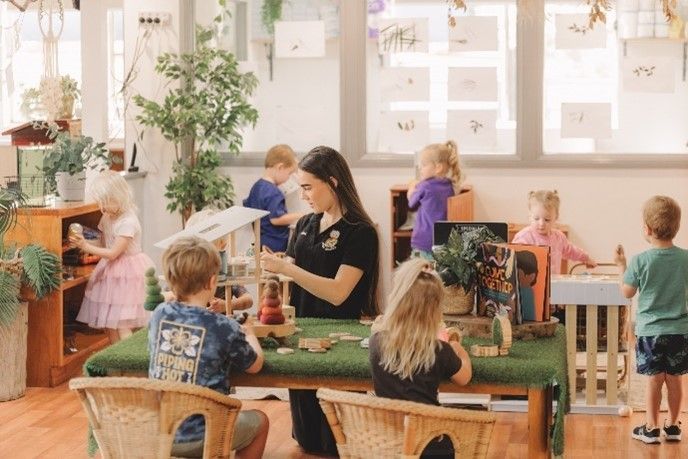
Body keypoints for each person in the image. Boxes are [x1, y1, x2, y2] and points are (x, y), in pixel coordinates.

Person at [260, 145, 380, 455]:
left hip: (342, 340)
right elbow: (288, 274)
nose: (303, 195)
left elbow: (339, 292)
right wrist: (272, 269)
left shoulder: (360, 232)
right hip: (302, 337)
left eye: (308, 187)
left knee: (336, 444)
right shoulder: (305, 225)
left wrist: (288, 268)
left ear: (333, 182)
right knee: (308, 441)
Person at [149, 236, 269, 458]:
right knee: (260, 422)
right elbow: (255, 365)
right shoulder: (224, 326)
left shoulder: (159, 315)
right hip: (206, 433)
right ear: (212, 281)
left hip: (159, 431)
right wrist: (250, 334)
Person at [369, 258, 472, 458]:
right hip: (430, 447)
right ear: (434, 311)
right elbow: (464, 378)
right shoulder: (439, 349)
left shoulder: (376, 342)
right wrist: (459, 349)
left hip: (387, 443)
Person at [615, 195, 688, 444]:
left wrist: (621, 266)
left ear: (646, 228)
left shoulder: (640, 260)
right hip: (679, 330)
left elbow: (627, 292)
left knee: (654, 381)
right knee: (676, 380)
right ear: (676, 228)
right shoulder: (685, 259)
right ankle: (674, 426)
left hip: (650, 333)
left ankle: (652, 427)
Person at [70, 170, 153, 343]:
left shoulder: (128, 222)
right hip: (110, 273)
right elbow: (103, 244)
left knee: (122, 323)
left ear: (120, 196)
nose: (103, 208)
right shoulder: (107, 216)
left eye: (106, 202)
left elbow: (114, 253)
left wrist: (86, 246)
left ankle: (128, 361)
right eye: (101, 203)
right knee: (109, 323)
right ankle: (115, 360)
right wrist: (83, 242)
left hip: (127, 275)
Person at [512, 190, 596, 275]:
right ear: (530, 216)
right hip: (531, 284)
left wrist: (586, 258)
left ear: (556, 218)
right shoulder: (524, 237)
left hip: (554, 283)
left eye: (547, 220)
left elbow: (571, 251)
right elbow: (513, 259)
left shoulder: (558, 237)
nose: (541, 224)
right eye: (536, 219)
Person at [185, 208, 253, 313]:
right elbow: (167, 295)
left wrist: (227, 305)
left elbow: (248, 300)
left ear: (222, 244)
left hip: (221, 323)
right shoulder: (184, 271)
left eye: (206, 247)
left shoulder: (225, 270)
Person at [407, 140, 462, 259]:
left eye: (424, 165)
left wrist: (411, 188)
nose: (420, 168)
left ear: (438, 167)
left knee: (420, 274)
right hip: (442, 242)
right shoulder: (449, 185)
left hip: (423, 242)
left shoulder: (425, 185)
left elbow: (412, 203)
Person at [243, 144, 303, 253]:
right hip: (274, 245)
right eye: (289, 173)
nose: (288, 178)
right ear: (280, 167)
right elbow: (276, 219)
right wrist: (302, 216)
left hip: (260, 241)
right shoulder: (273, 192)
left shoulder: (256, 187)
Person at [516, 250, 538, 321]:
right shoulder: (524, 290)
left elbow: (527, 314)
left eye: (518, 273)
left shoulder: (526, 291)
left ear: (531, 276)